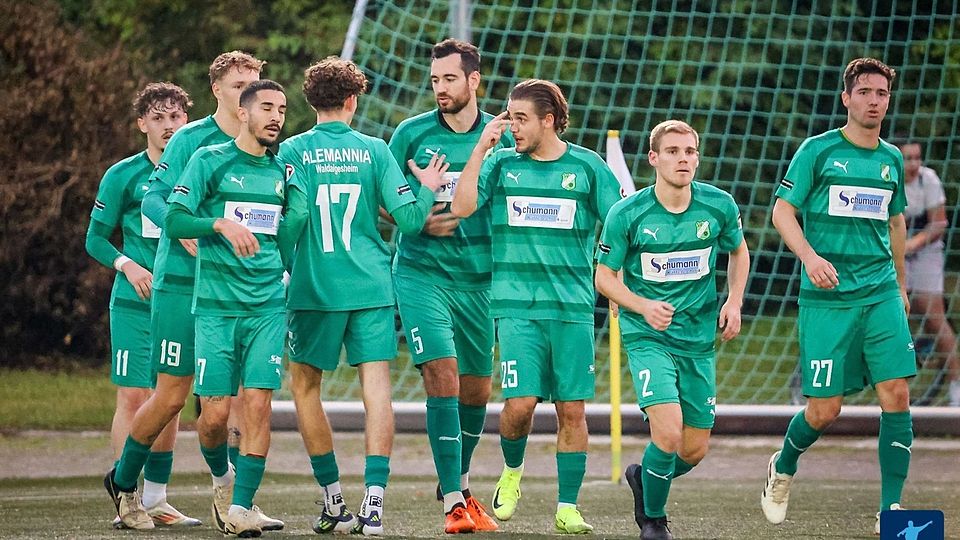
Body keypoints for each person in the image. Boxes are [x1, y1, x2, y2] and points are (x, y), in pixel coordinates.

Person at [104, 51, 283, 533]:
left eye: (255, 82)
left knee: (249, 400)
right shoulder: (192, 140)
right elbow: (156, 197)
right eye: (239, 83)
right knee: (170, 397)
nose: (249, 90)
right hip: (183, 285)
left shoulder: (268, 150)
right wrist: (181, 227)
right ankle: (123, 483)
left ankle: (236, 500)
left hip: (238, 294)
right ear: (218, 91)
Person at [277, 56, 446, 537]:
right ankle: (374, 503)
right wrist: (426, 187)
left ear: (310, 101)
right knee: (377, 390)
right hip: (372, 286)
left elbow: (290, 223)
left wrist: (289, 269)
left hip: (314, 288)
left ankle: (334, 501)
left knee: (306, 390)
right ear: (353, 100)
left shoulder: (291, 150)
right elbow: (411, 222)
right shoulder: (374, 149)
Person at [450, 79, 622, 534]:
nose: (510, 126)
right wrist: (480, 150)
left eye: (520, 118)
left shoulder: (587, 167)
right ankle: (512, 472)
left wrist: (618, 283)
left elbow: (621, 225)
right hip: (515, 307)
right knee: (520, 404)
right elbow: (462, 206)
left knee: (572, 410)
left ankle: (567, 506)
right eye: (508, 117)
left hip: (572, 309)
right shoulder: (502, 163)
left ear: (549, 120)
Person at [761, 58, 915, 536]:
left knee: (897, 393)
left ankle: (891, 511)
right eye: (865, 92)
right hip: (827, 299)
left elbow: (895, 222)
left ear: (889, 101)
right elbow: (782, 213)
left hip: (880, 291)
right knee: (826, 409)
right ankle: (782, 466)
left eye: (882, 93)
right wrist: (810, 258)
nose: (874, 100)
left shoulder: (890, 159)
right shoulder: (819, 151)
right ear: (847, 98)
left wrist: (902, 287)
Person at [595, 120, 749, 540]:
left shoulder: (718, 206)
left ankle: (645, 476)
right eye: (674, 151)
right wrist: (644, 307)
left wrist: (733, 300)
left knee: (693, 449)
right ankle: (654, 521)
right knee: (667, 430)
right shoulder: (628, 214)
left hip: (698, 340)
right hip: (648, 337)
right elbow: (604, 277)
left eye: (690, 151)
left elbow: (738, 251)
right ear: (654, 159)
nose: (683, 159)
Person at [388, 38, 511, 534]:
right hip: (422, 274)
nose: (439, 88)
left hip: (480, 281)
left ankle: (455, 477)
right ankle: (455, 502)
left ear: (474, 80)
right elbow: (384, 200)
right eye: (435, 80)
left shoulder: (502, 137)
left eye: (449, 79)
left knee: (478, 390)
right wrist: (415, 219)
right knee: (442, 375)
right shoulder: (411, 134)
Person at [164, 79, 288, 538]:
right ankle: (223, 481)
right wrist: (218, 223)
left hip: (268, 306)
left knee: (258, 404)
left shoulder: (284, 170)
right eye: (268, 108)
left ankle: (242, 507)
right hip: (216, 307)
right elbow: (173, 218)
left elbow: (289, 227)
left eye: (282, 109)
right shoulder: (208, 161)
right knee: (213, 415)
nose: (276, 117)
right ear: (243, 112)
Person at [86, 82, 200, 528]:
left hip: (181, 298)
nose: (169, 126)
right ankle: (125, 497)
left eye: (175, 117)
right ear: (142, 125)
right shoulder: (123, 175)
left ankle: (157, 499)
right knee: (133, 395)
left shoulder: (199, 170)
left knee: (169, 397)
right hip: (134, 303)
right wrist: (127, 265)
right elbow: (94, 238)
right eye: (159, 118)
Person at [897, 140, 958, 406]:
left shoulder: (927, 180)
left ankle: (957, 386)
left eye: (916, 158)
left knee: (934, 315)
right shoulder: (885, 179)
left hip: (925, 252)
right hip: (892, 252)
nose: (913, 164)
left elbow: (938, 225)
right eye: (907, 158)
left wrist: (912, 244)